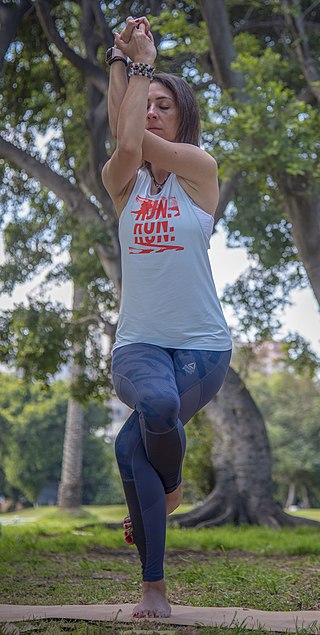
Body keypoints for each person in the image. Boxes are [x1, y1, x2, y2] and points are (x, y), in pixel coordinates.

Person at [102, 16, 232, 620]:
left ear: (183, 118)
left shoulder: (199, 173)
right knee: (152, 411)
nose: (149, 111)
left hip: (203, 349)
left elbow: (134, 137)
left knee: (133, 448)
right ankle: (156, 572)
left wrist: (139, 67)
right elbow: (125, 145)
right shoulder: (121, 184)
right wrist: (119, 60)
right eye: (142, 104)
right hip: (139, 345)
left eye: (162, 105)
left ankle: (154, 579)